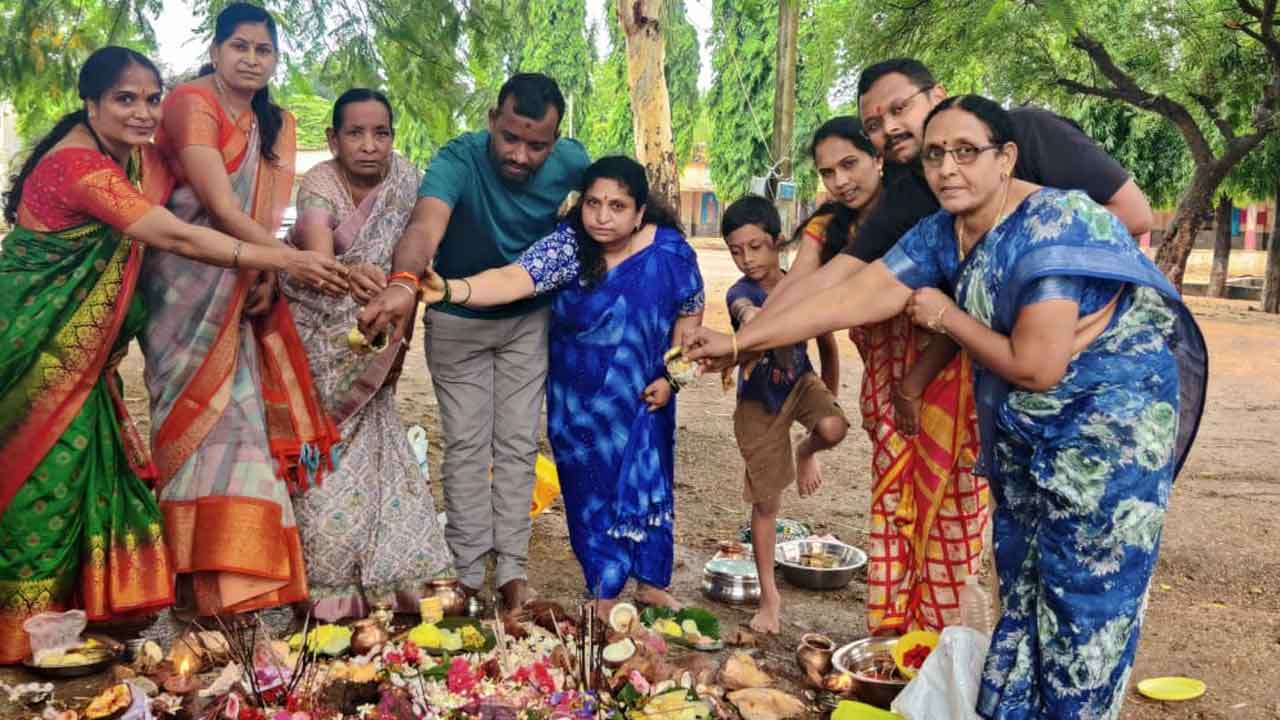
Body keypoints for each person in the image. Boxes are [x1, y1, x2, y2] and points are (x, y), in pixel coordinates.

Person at [685, 95, 1207, 719]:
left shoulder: (1058, 222)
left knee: (1082, 613)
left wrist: (947, 316)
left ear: (1006, 156)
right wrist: (741, 340)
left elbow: (1037, 368)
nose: (947, 169)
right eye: (935, 154)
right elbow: (856, 295)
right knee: (1026, 591)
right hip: (1031, 437)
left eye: (966, 151)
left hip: (1104, 441)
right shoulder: (945, 230)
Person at [0, 47, 346, 663]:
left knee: (84, 483)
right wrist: (288, 258)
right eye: (124, 99)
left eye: (152, 99)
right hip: (37, 352)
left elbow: (192, 189)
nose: (142, 112)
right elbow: (177, 233)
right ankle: (20, 632)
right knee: (42, 488)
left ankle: (62, 628)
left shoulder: (130, 157)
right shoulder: (81, 167)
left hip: (84, 362)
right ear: (91, 102)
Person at [408, 156, 704, 614]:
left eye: (617, 206)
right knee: (588, 490)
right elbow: (514, 280)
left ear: (640, 211)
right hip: (579, 402)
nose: (602, 217)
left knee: (651, 483)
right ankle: (604, 589)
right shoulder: (569, 247)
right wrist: (450, 290)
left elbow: (691, 310)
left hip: (648, 395)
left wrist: (673, 379)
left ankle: (651, 581)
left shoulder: (670, 252)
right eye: (592, 204)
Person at [140, 2, 346, 618]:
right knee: (189, 420)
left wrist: (261, 269)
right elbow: (217, 207)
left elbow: (259, 211)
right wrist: (285, 261)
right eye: (240, 47)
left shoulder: (277, 122)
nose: (252, 60)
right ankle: (189, 581)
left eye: (264, 50)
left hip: (244, 279)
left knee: (245, 426)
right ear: (215, 50)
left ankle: (239, 582)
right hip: (184, 282)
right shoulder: (188, 103)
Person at [357, 73, 590, 611]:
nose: (521, 155)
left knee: (516, 446)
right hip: (457, 319)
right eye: (510, 137)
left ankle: (512, 574)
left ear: (556, 141)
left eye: (538, 145)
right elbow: (424, 226)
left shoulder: (572, 160)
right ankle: (464, 572)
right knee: (465, 445)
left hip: (528, 322)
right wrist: (403, 282)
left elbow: (617, 194)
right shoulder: (458, 159)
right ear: (492, 120)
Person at [791, 117, 990, 634]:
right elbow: (802, 285)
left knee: (950, 514)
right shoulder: (831, 228)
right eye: (827, 172)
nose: (840, 181)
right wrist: (747, 335)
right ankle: (893, 639)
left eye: (850, 164)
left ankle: (943, 649)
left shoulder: (924, 215)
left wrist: (913, 385)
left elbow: (958, 309)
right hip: (885, 396)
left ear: (878, 159)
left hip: (946, 393)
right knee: (894, 510)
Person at [282, 89, 452, 620]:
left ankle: (388, 585)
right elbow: (314, 247)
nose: (369, 145)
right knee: (322, 464)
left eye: (380, 133)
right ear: (333, 139)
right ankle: (328, 592)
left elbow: (418, 246)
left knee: (380, 454)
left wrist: (393, 293)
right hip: (319, 340)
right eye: (355, 133)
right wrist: (348, 273)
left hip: (376, 337)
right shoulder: (319, 184)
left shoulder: (406, 181)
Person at [720, 196, 848, 634]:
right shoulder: (740, 292)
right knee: (767, 501)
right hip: (757, 402)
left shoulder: (804, 284)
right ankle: (769, 596)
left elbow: (828, 344)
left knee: (834, 428)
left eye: (755, 247)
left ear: (776, 243)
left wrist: (827, 399)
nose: (747, 259)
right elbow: (746, 312)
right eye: (736, 251)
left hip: (801, 385)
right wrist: (755, 318)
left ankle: (805, 449)